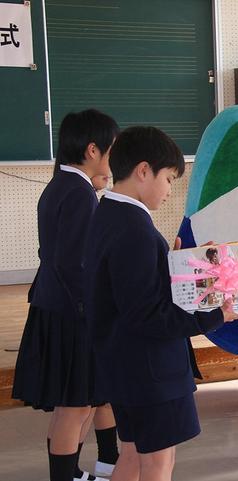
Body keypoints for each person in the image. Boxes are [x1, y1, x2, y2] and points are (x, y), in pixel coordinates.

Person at [83, 126, 238, 481]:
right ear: (143, 171)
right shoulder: (134, 230)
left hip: (124, 365)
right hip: (150, 371)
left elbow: (130, 290)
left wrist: (179, 267)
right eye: (169, 178)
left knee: (132, 456)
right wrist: (215, 315)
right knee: (158, 463)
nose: (170, 190)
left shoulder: (109, 214)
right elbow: (148, 315)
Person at [12, 109, 119, 481]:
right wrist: (94, 310)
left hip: (61, 307)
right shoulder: (77, 192)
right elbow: (73, 264)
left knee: (79, 403)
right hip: (73, 314)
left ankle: (72, 472)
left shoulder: (64, 185)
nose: (114, 158)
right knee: (74, 406)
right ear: (92, 150)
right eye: (111, 149)